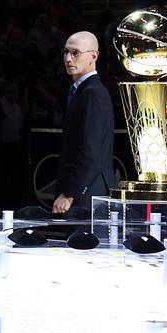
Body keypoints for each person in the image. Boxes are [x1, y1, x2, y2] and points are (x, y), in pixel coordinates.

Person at [54, 31, 114, 213]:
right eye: (66, 52)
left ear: (93, 56)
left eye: (75, 53)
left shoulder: (92, 93)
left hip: (87, 194)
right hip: (83, 190)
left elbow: (91, 153)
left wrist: (69, 193)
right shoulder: (81, 91)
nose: (68, 58)